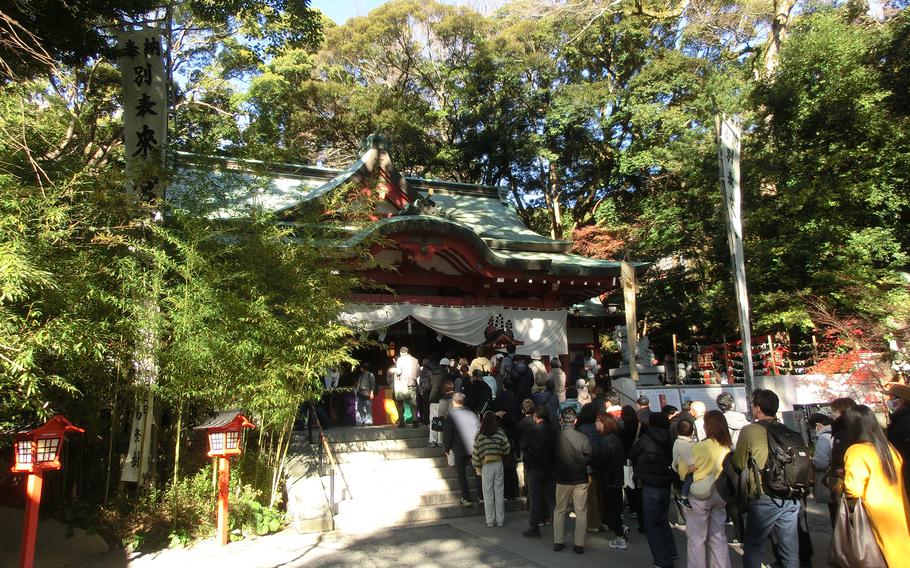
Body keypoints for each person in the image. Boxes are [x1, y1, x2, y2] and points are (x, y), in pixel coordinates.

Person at [733, 388, 799, 568]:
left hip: (764, 493)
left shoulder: (749, 430)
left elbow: (739, 462)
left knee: (754, 546)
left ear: (757, 408)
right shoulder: (786, 429)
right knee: (790, 549)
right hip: (791, 493)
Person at [843, 404, 910, 568]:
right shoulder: (888, 448)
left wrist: (839, 485)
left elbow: (853, 489)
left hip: (875, 513)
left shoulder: (856, 451)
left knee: (881, 556)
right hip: (899, 509)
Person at [686, 410, 733, 568]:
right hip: (720, 492)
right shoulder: (727, 446)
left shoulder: (699, 447)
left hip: (701, 493)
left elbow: (687, 468)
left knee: (696, 539)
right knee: (718, 536)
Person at [630, 412, 677, 568]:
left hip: (650, 482)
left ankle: (662, 559)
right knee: (662, 519)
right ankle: (671, 551)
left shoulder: (645, 438)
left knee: (652, 524)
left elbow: (632, 454)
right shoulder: (670, 437)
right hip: (665, 480)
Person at [552, 406, 594, 554]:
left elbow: (551, 457)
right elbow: (589, 455)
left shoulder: (556, 437)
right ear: (575, 420)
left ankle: (558, 541)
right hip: (580, 478)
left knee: (560, 510)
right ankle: (579, 544)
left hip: (562, 478)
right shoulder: (582, 437)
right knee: (581, 511)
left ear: (561, 420)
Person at [595, 412, 630, 550]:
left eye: (598, 421)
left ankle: (620, 536)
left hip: (608, 479)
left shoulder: (604, 440)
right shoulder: (615, 438)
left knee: (611, 510)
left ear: (604, 423)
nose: (596, 423)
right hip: (617, 478)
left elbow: (600, 461)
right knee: (615, 507)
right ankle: (621, 528)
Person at [521, 406, 557, 537]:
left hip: (535, 467)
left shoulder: (532, 430)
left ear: (536, 417)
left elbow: (524, 446)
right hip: (551, 467)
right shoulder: (554, 430)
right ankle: (557, 526)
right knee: (551, 498)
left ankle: (534, 526)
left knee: (535, 498)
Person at [473, 411, 511, 528]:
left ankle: (490, 520)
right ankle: (500, 520)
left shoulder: (479, 435)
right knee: (499, 492)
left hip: (486, 465)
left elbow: (476, 452)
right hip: (498, 463)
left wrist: (477, 466)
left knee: (488, 492)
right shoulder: (500, 432)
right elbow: (507, 448)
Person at [442, 393, 482, 505]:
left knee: (461, 474)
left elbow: (448, 434)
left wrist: (447, 448)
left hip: (459, 448)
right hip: (474, 447)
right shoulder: (472, 414)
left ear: (453, 402)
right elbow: (479, 429)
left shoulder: (451, 417)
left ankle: (466, 498)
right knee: (477, 472)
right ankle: (481, 496)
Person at [808, 412, 836, 525]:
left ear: (818, 425)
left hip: (830, 482)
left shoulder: (824, 437)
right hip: (842, 481)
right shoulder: (836, 433)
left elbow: (821, 463)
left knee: (835, 516)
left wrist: (811, 461)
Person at [885, 383, 910, 490]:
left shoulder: (905, 421)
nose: (888, 401)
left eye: (891, 398)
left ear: (901, 401)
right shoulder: (898, 419)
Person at [672, 419, 696, 509]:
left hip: (683, 467)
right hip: (685, 469)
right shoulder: (683, 443)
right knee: (688, 481)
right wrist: (693, 466)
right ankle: (684, 498)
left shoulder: (680, 441)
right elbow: (688, 459)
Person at [395, 346, 421, 427]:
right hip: (412, 383)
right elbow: (418, 373)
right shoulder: (415, 360)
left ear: (401, 352)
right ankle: (415, 420)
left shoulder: (400, 359)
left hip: (402, 384)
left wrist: (395, 371)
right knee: (413, 403)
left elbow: (398, 372)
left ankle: (402, 422)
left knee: (400, 402)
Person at [428, 359, 450, 446]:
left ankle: (433, 440)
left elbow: (428, 386)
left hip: (432, 399)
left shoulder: (431, 373)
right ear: (447, 366)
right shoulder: (446, 375)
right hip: (443, 398)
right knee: (442, 419)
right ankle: (440, 441)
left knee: (433, 420)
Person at [354, 362, 375, 426]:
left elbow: (373, 385)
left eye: (361, 368)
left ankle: (368, 420)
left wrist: (372, 393)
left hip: (367, 393)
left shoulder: (370, 375)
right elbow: (359, 384)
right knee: (359, 408)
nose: (360, 369)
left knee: (368, 408)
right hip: (361, 393)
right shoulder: (361, 375)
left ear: (363, 368)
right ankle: (364, 419)